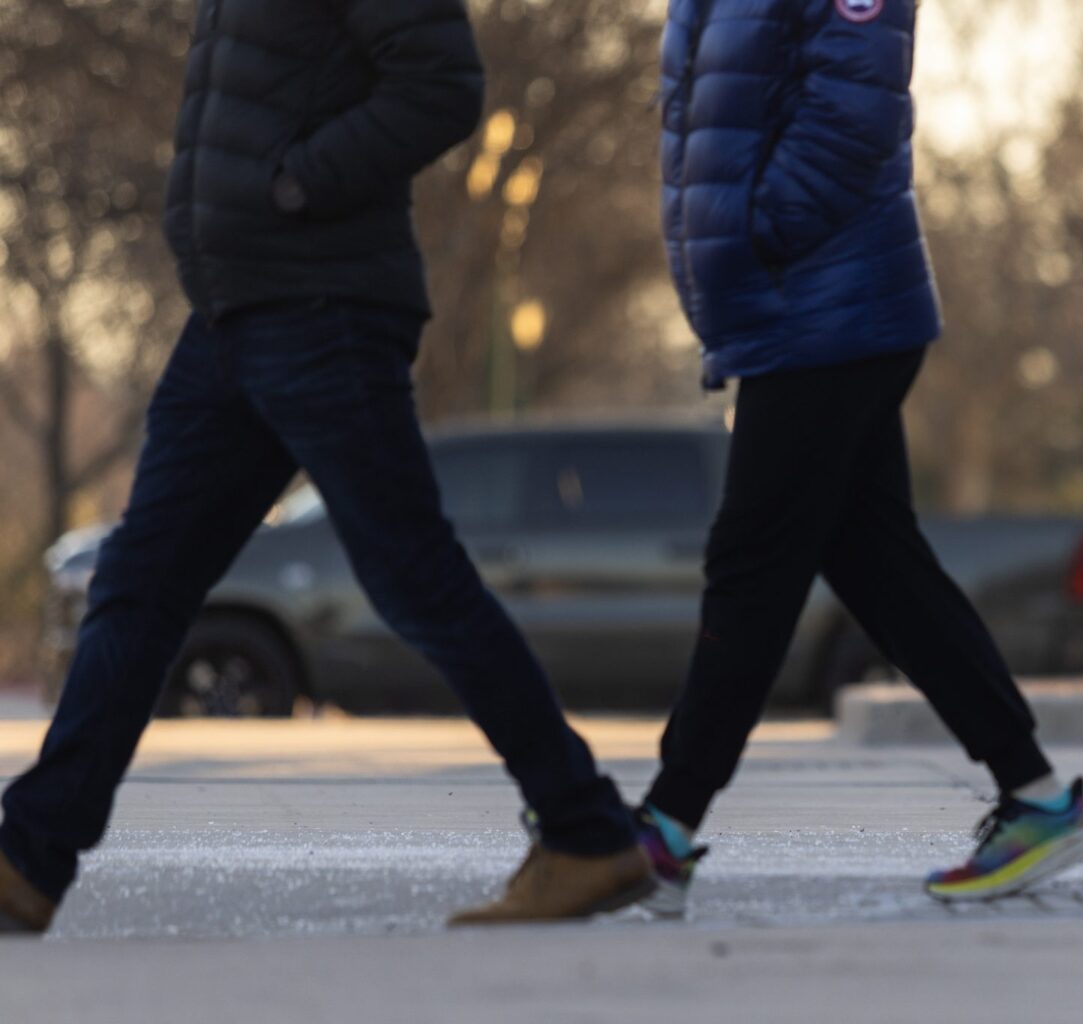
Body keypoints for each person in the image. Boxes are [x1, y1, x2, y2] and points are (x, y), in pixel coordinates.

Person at [0, 0, 653, 935]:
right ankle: (26, 859)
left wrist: (295, 185)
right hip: (233, 313)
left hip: (320, 307)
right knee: (136, 585)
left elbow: (443, 84)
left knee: (413, 576)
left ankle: (586, 833)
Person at [637, 0, 1083, 915]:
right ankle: (1038, 796)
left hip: (826, 306)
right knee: (874, 562)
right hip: (791, 309)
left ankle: (665, 827)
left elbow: (855, 110)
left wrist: (756, 236)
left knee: (753, 563)